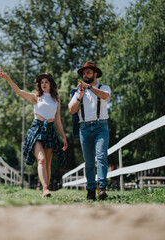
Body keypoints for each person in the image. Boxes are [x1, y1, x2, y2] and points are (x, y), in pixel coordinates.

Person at [0, 68, 67, 198]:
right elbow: (19, 91)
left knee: (47, 163)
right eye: (42, 82)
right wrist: (8, 78)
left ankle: (44, 189)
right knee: (41, 159)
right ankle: (46, 188)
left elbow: (58, 120)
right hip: (37, 129)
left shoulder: (56, 100)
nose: (44, 84)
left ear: (51, 84)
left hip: (50, 130)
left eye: (46, 82)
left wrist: (63, 137)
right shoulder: (36, 97)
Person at [68, 62, 111, 200]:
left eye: (88, 72)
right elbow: (71, 110)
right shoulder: (77, 91)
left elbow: (105, 96)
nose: (85, 75)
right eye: (84, 73)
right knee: (89, 162)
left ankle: (102, 188)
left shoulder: (104, 88)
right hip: (84, 128)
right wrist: (80, 96)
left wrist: (90, 88)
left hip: (101, 126)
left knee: (101, 156)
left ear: (95, 74)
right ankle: (90, 190)